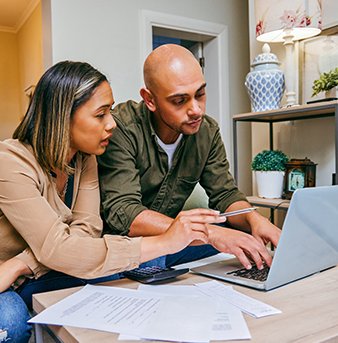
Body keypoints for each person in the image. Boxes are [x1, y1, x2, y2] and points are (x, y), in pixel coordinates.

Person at [0, 61, 224, 343]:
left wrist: (19, 265)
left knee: (117, 280)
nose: (111, 124)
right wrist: (165, 241)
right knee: (6, 326)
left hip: (34, 270)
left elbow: (85, 234)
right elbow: (60, 248)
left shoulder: (85, 160)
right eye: (101, 114)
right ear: (61, 118)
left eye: (110, 111)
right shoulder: (4, 161)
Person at [98, 44, 281, 272]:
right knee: (157, 259)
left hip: (176, 242)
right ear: (150, 99)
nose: (196, 110)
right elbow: (124, 212)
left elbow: (225, 194)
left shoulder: (207, 131)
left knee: (245, 237)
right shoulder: (121, 128)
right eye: (179, 101)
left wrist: (254, 218)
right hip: (129, 245)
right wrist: (209, 232)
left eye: (200, 94)